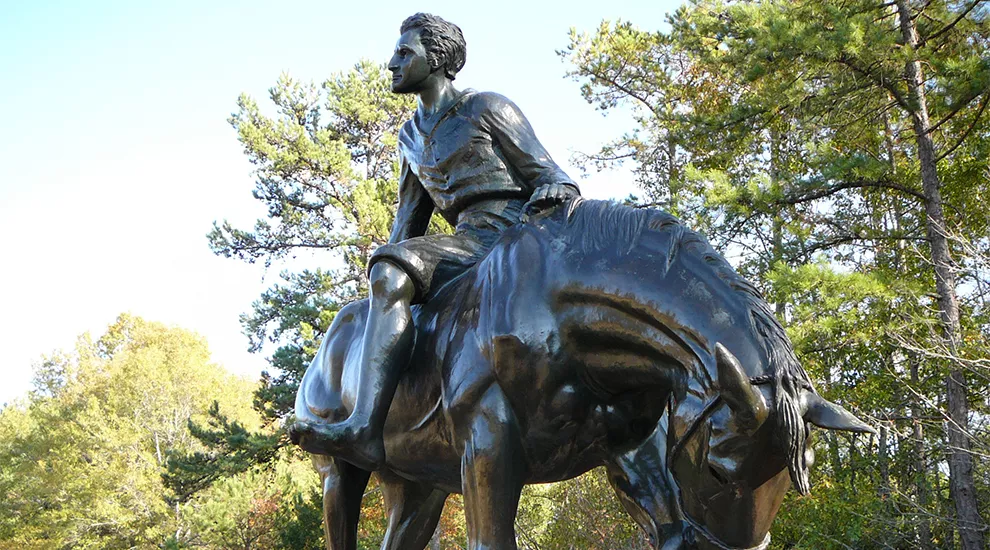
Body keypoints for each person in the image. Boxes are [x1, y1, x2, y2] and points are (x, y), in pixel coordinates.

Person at [299, 13, 579, 469]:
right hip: (466, 243)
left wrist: (554, 191)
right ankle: (384, 419)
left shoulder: (487, 108)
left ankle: (364, 427)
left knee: (391, 268)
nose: (391, 62)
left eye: (404, 53)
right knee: (388, 270)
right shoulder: (409, 136)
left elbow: (552, 176)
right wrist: (382, 288)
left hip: (512, 237)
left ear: (439, 59)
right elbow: (408, 223)